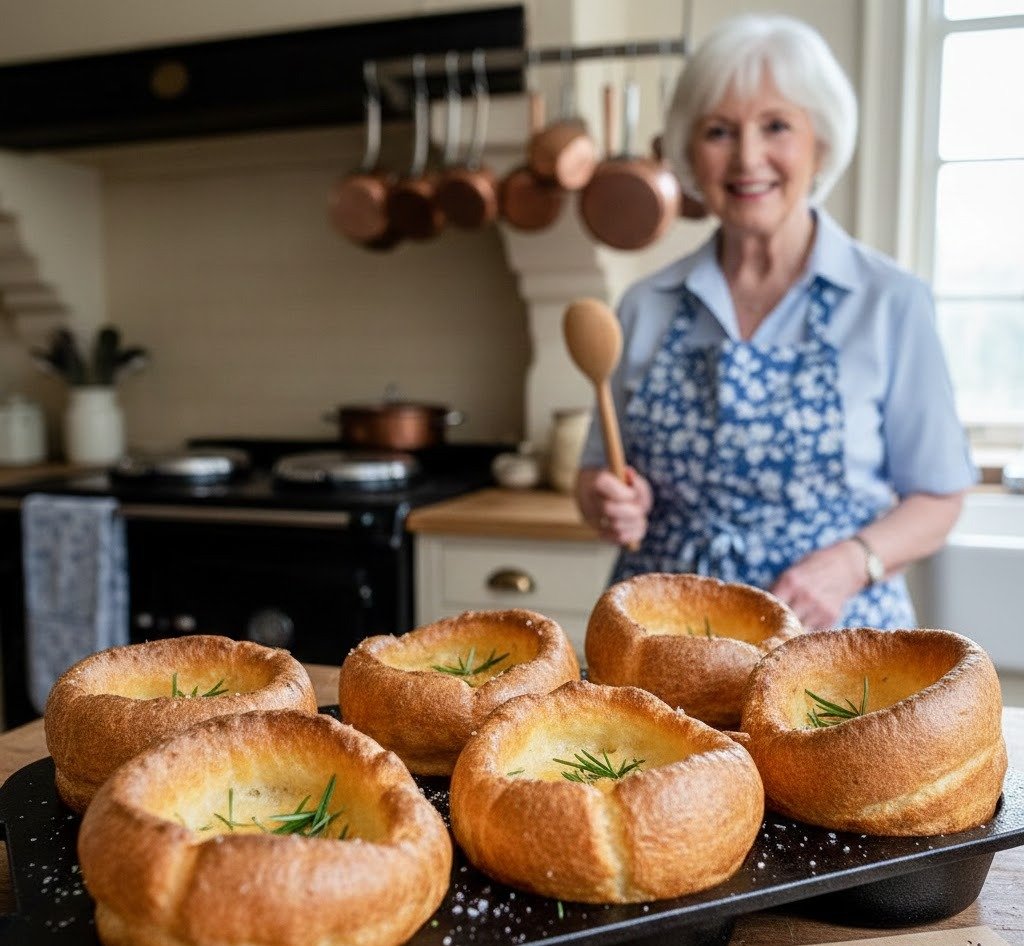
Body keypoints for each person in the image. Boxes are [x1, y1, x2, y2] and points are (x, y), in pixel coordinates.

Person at [574, 14, 976, 631]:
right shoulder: (644, 304)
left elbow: (940, 496)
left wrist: (851, 562)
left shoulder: (889, 302)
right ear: (689, 152)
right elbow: (596, 476)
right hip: (662, 642)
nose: (748, 157)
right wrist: (611, 503)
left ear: (820, 143)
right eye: (719, 131)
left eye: (777, 126)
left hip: (831, 641)